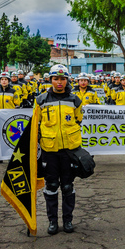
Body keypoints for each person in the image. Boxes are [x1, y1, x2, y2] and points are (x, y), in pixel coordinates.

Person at [35, 64, 83, 235]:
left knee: (68, 186)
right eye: (56, 79)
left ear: (67, 80)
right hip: (50, 151)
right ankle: (52, 222)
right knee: (52, 185)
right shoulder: (40, 100)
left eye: (63, 79)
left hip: (69, 151)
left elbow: (78, 120)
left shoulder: (75, 100)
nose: (59, 82)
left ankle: (68, 220)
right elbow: (35, 127)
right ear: (51, 80)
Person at [0, 71, 20, 164]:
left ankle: (13, 157)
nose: (3, 81)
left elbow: (18, 104)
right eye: (2, 79)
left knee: (12, 137)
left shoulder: (13, 92)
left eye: (5, 79)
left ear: (8, 81)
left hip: (10, 118)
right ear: (0, 81)